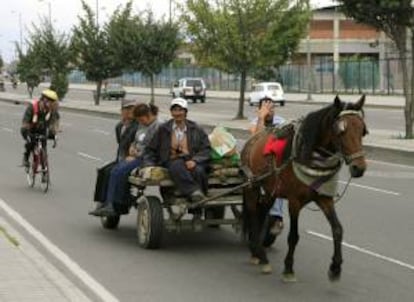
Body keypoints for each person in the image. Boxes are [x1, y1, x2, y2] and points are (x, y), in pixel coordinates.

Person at [91, 103, 160, 216]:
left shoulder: (157, 127)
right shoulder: (142, 125)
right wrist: (132, 147)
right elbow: (135, 140)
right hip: (135, 155)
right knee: (112, 170)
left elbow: (153, 147)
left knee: (118, 171)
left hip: (146, 158)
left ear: (147, 115)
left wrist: (136, 155)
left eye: (141, 120)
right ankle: (107, 203)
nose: (140, 123)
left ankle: (115, 205)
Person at [143, 97, 211, 204]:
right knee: (177, 166)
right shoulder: (163, 129)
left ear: (185, 112)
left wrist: (195, 161)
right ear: (171, 112)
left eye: (180, 110)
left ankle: (198, 206)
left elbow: (206, 149)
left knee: (199, 171)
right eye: (175, 110)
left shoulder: (196, 129)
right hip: (171, 160)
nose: (177, 113)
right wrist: (149, 164)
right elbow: (150, 149)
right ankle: (194, 192)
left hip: (191, 160)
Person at [89, 99, 138, 214]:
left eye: (132, 108)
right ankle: (102, 202)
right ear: (122, 111)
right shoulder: (119, 126)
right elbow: (120, 144)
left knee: (112, 172)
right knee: (103, 171)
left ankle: (112, 203)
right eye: (128, 108)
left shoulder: (137, 126)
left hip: (130, 159)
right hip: (120, 158)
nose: (131, 111)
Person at [248, 95, 286, 236]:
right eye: (266, 108)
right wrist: (261, 118)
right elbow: (257, 137)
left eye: (272, 108)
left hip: (275, 163)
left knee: (279, 183)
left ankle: (277, 217)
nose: (270, 111)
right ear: (259, 110)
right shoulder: (254, 122)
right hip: (255, 162)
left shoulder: (281, 122)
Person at [20, 89, 59, 167]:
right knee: (30, 143)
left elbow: (54, 123)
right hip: (30, 129)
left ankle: (45, 173)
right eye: (50, 101)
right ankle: (26, 158)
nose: (52, 104)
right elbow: (25, 123)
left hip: (42, 130)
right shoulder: (32, 107)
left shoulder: (52, 110)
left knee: (43, 147)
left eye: (53, 102)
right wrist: (27, 132)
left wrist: (54, 133)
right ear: (44, 100)